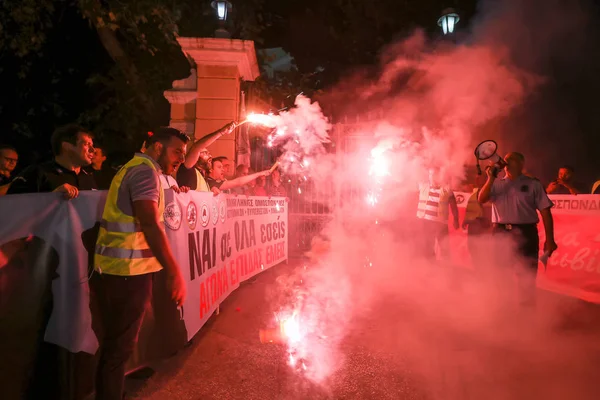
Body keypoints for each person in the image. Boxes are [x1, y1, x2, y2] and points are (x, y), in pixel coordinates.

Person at [92, 127, 188, 400]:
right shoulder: (145, 172)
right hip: (127, 275)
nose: (181, 158)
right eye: (177, 151)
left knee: (115, 347)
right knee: (117, 350)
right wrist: (173, 271)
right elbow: (148, 221)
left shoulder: (135, 168)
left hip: (118, 272)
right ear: (157, 147)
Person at [479, 152, 558, 307]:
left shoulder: (533, 184)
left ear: (522, 163)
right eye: (506, 159)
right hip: (501, 233)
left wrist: (550, 239)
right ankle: (504, 308)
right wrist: (490, 178)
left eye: (512, 159)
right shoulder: (496, 184)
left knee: (527, 274)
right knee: (501, 273)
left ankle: (526, 312)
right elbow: (481, 199)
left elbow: (545, 212)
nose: (506, 161)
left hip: (525, 233)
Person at [8, 124, 97, 197]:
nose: (93, 150)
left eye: (92, 145)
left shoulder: (88, 177)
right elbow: (13, 207)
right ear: (66, 146)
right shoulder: (37, 173)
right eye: (87, 144)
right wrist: (52, 198)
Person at [176, 123, 235, 192]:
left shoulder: (203, 178)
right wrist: (221, 132)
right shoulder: (188, 170)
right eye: (204, 153)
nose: (210, 156)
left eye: (209, 153)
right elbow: (197, 147)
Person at [416, 168, 460, 261]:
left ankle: (445, 269)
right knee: (427, 247)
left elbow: (453, 205)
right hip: (425, 222)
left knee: (444, 247)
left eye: (435, 175)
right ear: (428, 176)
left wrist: (456, 219)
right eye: (431, 175)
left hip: (441, 223)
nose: (433, 177)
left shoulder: (447, 189)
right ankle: (430, 267)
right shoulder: (422, 186)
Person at [205, 157, 271, 193]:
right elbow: (238, 182)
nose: (223, 170)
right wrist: (259, 174)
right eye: (219, 167)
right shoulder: (210, 182)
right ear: (210, 169)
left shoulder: (216, 181)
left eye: (223, 167)